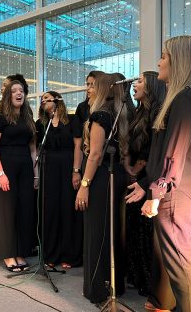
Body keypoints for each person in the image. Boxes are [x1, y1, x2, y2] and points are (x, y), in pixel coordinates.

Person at [126, 35, 191, 311]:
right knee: (182, 261)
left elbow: (174, 152)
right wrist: (148, 185)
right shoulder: (189, 97)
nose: (159, 62)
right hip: (180, 190)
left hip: (177, 194)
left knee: (181, 263)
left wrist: (157, 192)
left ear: (179, 61)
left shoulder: (186, 97)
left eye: (164, 56)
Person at [75, 73, 129, 303]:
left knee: (97, 231)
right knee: (112, 230)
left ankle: (97, 288)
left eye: (93, 86)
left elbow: (95, 154)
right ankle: (113, 284)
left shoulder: (100, 115)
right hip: (116, 175)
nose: (88, 90)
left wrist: (84, 185)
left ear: (104, 89)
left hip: (100, 177)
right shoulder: (120, 113)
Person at [0, 80, 38, 272]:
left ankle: (20, 251)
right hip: (4, 167)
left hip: (25, 167)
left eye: (21, 91)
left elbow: (32, 148)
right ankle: (8, 254)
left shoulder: (27, 117)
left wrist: (35, 175)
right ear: (8, 95)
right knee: (6, 212)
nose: (19, 93)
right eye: (14, 91)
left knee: (23, 210)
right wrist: (0, 174)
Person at [125, 71, 166, 297]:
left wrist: (138, 170)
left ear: (151, 86)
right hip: (136, 177)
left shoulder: (158, 113)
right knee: (136, 230)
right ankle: (138, 276)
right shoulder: (137, 112)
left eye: (140, 81)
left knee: (147, 233)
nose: (134, 84)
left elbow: (153, 152)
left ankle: (151, 283)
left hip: (148, 178)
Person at [36, 91, 83, 269]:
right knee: (51, 209)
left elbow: (78, 145)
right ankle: (51, 254)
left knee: (67, 209)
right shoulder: (41, 124)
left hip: (68, 166)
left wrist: (76, 171)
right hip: (49, 169)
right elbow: (35, 146)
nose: (44, 101)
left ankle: (69, 255)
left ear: (57, 100)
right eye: (42, 100)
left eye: (47, 98)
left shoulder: (72, 120)